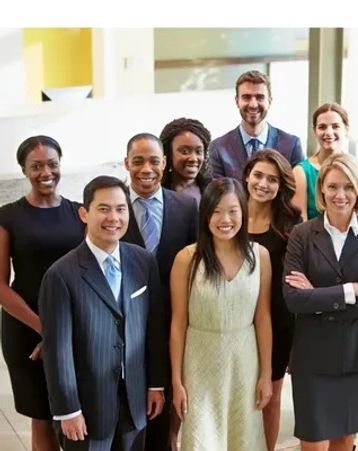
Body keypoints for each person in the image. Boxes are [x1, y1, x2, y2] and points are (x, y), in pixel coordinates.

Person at [39, 176, 167, 451]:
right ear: (84, 213)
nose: (114, 217)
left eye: (121, 209)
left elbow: (153, 330)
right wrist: (68, 410)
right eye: (104, 209)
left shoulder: (143, 261)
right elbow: (57, 350)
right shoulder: (61, 275)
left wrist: (156, 384)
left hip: (135, 402)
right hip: (87, 408)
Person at [283, 153, 358, 450]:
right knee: (313, 439)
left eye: (347, 186)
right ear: (321, 191)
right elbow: (293, 299)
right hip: (313, 355)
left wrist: (315, 297)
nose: (339, 195)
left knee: (345, 437)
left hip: (357, 353)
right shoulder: (302, 234)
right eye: (332, 187)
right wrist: (350, 290)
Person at [170, 178, 273, 451]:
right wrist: (177, 381)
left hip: (245, 360)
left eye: (232, 210)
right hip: (199, 361)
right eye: (216, 211)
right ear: (205, 215)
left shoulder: (260, 256)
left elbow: (262, 318)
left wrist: (266, 374)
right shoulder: (187, 259)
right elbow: (178, 324)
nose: (224, 219)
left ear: (243, 211)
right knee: (203, 438)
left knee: (245, 437)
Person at [0, 136, 85, 451]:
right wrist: (46, 330)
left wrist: (63, 332)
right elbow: (0, 286)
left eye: (52, 164)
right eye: (36, 166)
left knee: (79, 413)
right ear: (24, 170)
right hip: (26, 326)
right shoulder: (8, 216)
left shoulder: (80, 213)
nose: (45, 172)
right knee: (43, 415)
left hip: (76, 325)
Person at [121, 133, 198, 451]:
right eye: (137, 161)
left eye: (154, 160)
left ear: (165, 163)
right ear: (126, 163)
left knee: (165, 411)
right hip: (123, 327)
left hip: (173, 326)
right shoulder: (113, 206)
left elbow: (196, 266)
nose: (146, 168)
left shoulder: (186, 206)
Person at [243, 150, 302, 451]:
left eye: (272, 179)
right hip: (236, 321)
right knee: (239, 396)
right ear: (247, 176)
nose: (263, 184)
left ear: (282, 186)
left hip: (277, 322)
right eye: (258, 176)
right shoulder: (231, 214)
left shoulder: (290, 223)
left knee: (270, 396)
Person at [208, 70, 304, 180]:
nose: (253, 104)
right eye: (246, 97)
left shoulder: (291, 145)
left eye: (260, 97)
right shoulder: (218, 148)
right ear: (237, 101)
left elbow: (299, 192)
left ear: (270, 101)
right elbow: (216, 195)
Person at [292, 102, 358, 221]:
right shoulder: (301, 172)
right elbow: (300, 222)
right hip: (313, 238)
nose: (329, 133)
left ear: (346, 129)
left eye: (335, 126)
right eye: (322, 127)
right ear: (314, 131)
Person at [160, 117, 212, 204]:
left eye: (198, 152)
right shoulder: (156, 191)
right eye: (185, 152)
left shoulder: (214, 190)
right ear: (168, 153)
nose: (193, 158)